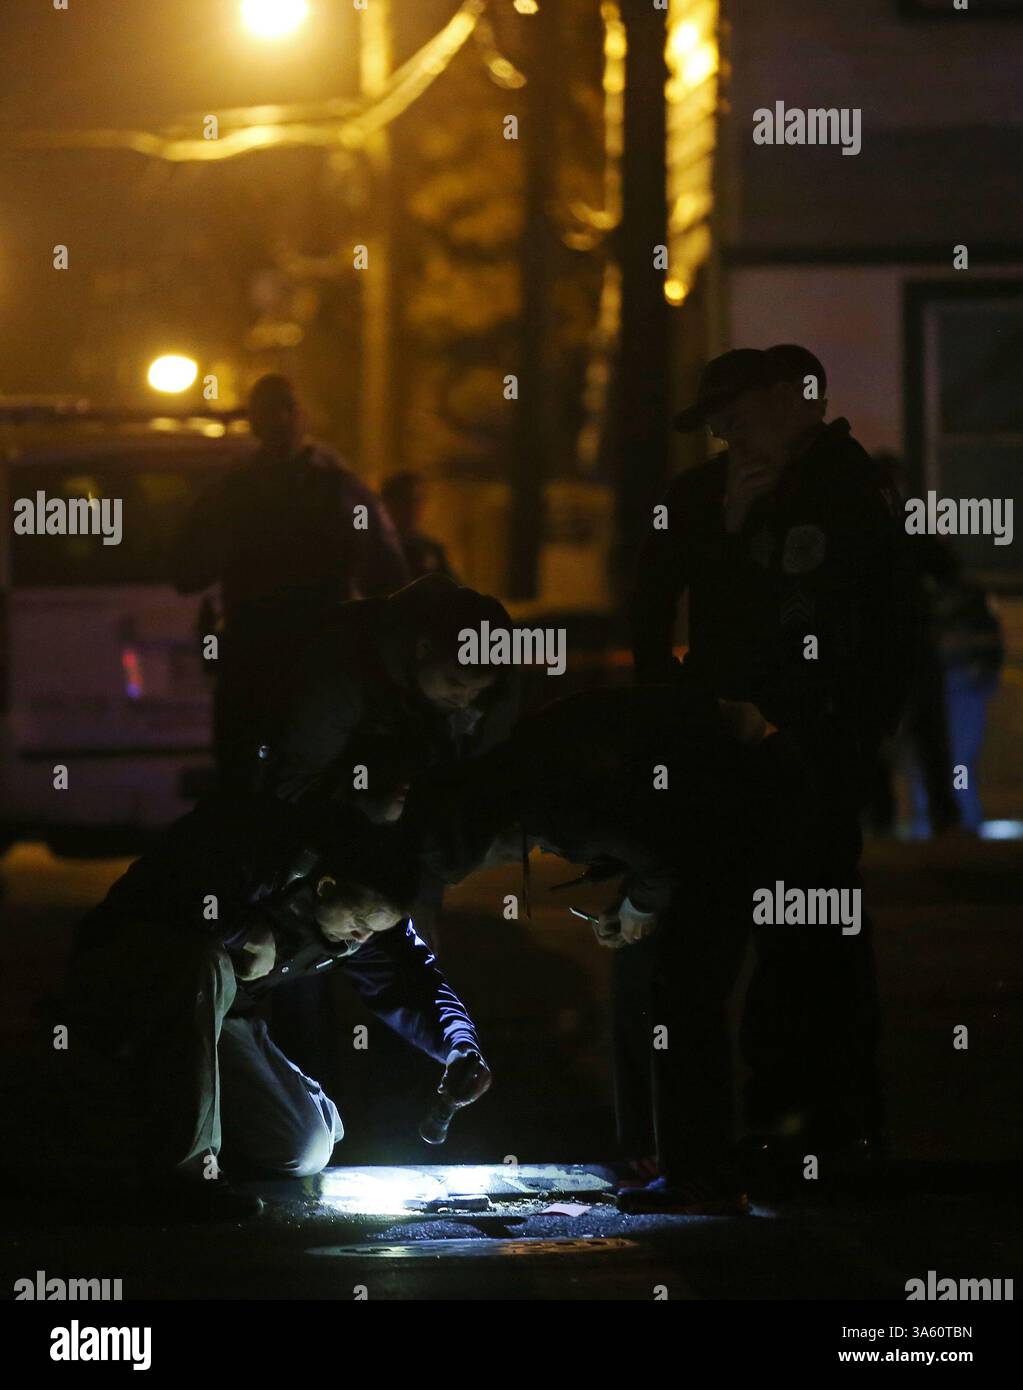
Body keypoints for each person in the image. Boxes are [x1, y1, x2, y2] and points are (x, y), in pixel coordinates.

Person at [628, 345, 922, 1200]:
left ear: (791, 402)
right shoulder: (704, 497)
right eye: (713, 421)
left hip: (807, 762)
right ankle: (752, 1137)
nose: (723, 432)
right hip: (723, 757)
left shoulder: (846, 492)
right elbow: (652, 610)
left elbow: (887, 635)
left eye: (736, 414)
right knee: (712, 948)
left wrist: (832, 741)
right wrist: (682, 708)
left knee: (812, 950)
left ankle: (823, 1133)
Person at [403, 681, 820, 1215]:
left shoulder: (554, 807)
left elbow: (664, 852)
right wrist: (629, 909)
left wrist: (637, 909)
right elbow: (646, 826)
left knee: (682, 993)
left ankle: (698, 1175)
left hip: (749, 813)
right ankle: (650, 1152)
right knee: (640, 976)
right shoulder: (521, 771)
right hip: (710, 812)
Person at [46, 794, 490, 1222]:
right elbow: (161, 893)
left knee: (305, 1146)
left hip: (219, 1022)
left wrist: (459, 1045)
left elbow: (413, 982)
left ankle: (190, 1120)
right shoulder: (256, 842)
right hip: (128, 988)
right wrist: (241, 932)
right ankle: (182, 1176)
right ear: (326, 885)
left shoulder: (367, 915)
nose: (360, 940)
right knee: (208, 961)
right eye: (357, 923)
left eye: (374, 931)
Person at [171, 374, 409, 785]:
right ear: (254, 422)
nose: (281, 420)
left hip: (315, 661)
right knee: (251, 783)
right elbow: (188, 569)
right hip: (256, 660)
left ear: (304, 416)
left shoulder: (338, 489)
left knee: (316, 781)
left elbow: (387, 577)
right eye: (269, 410)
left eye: (288, 407)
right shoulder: (233, 491)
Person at [381, 471, 457, 581]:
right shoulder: (378, 549)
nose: (413, 508)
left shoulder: (431, 550)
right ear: (388, 503)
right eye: (406, 500)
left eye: (418, 500)